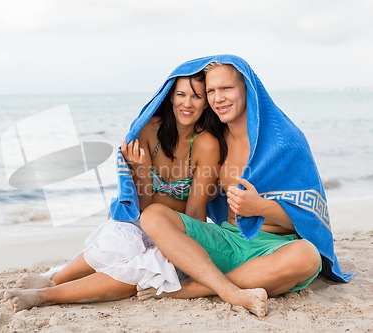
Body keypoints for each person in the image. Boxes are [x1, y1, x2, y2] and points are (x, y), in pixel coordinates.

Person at [138, 55, 352, 318]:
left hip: (272, 248)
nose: (218, 98)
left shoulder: (286, 142)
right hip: (227, 240)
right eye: (211, 91)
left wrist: (261, 207)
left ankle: (196, 288)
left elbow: (311, 219)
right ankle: (229, 288)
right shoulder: (215, 139)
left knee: (308, 258)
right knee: (153, 216)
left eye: (226, 88)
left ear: (247, 88)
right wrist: (139, 165)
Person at [3, 70, 229, 312]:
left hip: (177, 229)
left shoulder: (207, 145)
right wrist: (141, 168)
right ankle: (57, 277)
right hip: (140, 220)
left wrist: (175, 248)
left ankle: (46, 295)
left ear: (205, 102)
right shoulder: (148, 132)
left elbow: (195, 213)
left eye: (196, 97)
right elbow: (140, 205)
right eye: (181, 95)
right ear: (170, 97)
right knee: (120, 244)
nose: (187, 103)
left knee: (147, 268)